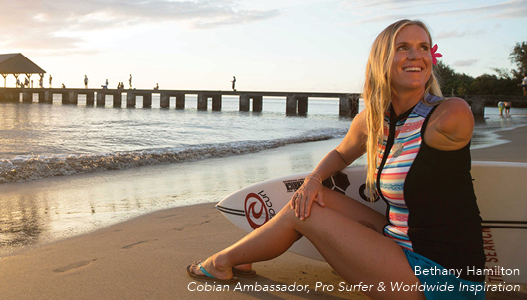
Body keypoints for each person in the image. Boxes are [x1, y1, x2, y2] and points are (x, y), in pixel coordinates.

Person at [188, 20, 484, 299]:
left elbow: (458, 120)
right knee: (315, 198)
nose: (415, 55)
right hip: (399, 242)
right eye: (402, 47)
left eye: (423, 47)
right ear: (382, 60)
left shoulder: (448, 114)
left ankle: (221, 262)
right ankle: (240, 260)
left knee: (302, 212)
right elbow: (342, 153)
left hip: (439, 279)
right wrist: (313, 180)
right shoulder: (373, 121)